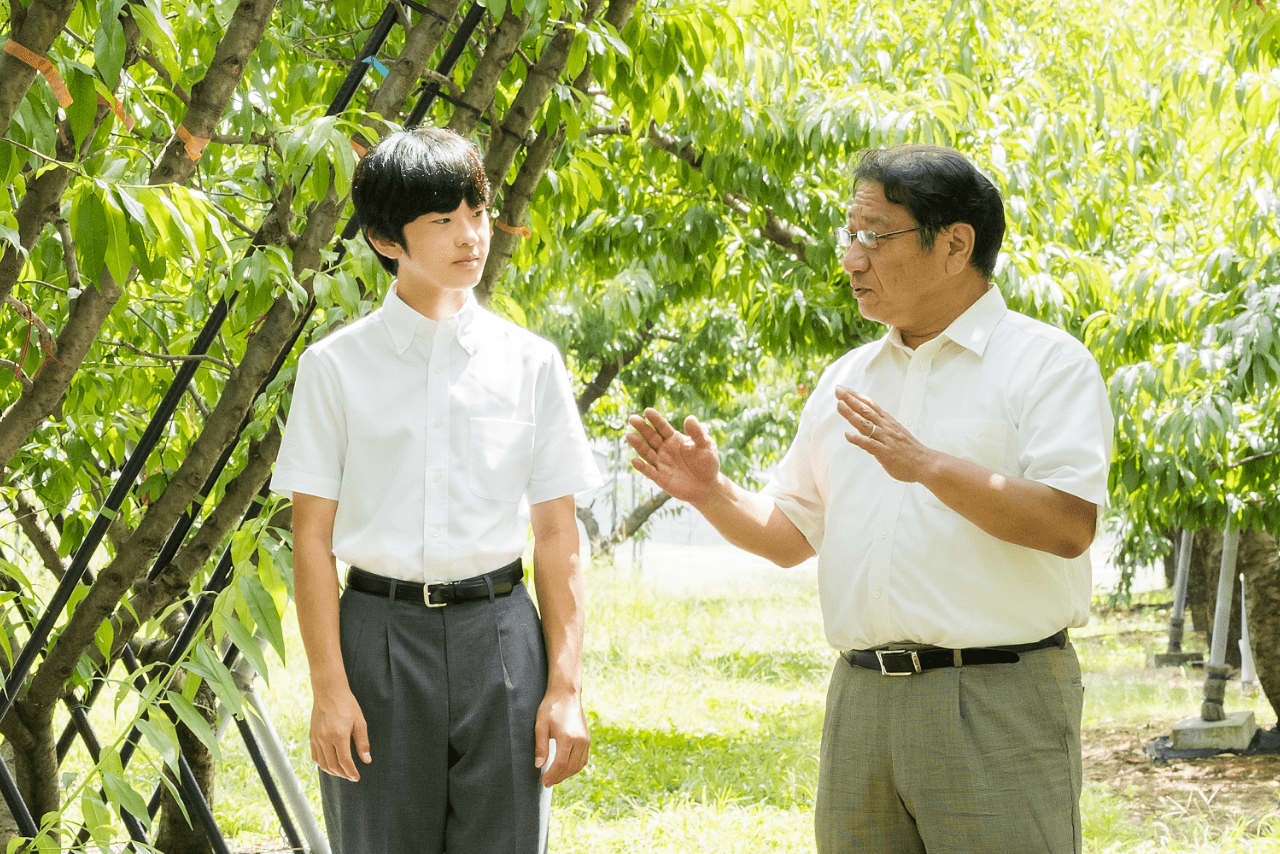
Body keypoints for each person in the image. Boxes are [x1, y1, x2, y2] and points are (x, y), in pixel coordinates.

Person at [627, 144, 1113, 854]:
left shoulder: (1046, 364)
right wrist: (710, 493)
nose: (851, 259)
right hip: (862, 701)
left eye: (873, 235)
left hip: (994, 698)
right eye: (848, 235)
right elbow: (791, 534)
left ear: (954, 245)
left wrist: (924, 465)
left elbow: (1069, 525)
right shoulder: (846, 379)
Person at [271, 126, 601, 854]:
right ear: (389, 240)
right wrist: (329, 688)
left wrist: (565, 687)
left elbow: (557, 537)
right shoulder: (335, 368)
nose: (470, 237)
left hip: (503, 636)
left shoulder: (531, 364)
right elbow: (312, 540)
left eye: (477, 213)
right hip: (377, 635)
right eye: (442, 220)